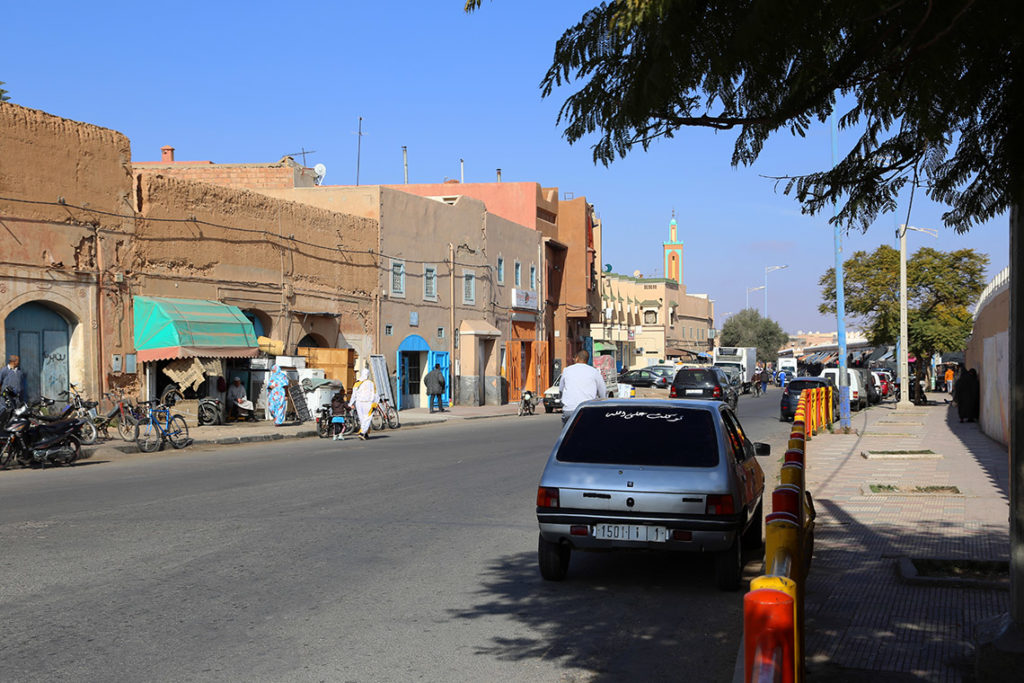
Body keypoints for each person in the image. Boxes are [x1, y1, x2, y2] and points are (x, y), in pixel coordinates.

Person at [558, 349, 607, 424]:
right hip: (587, 410)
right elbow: (602, 391)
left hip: (569, 410)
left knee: (567, 433)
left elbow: (561, 389)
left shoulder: (567, 370)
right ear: (587, 360)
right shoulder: (594, 372)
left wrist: (562, 401)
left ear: (577, 358)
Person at [349, 368, 376, 440]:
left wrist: (350, 404)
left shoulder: (357, 383)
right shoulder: (371, 383)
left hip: (359, 403)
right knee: (367, 418)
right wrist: (375, 403)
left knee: (362, 419)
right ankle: (362, 433)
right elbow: (374, 393)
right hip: (368, 402)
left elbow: (353, 395)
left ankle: (365, 433)